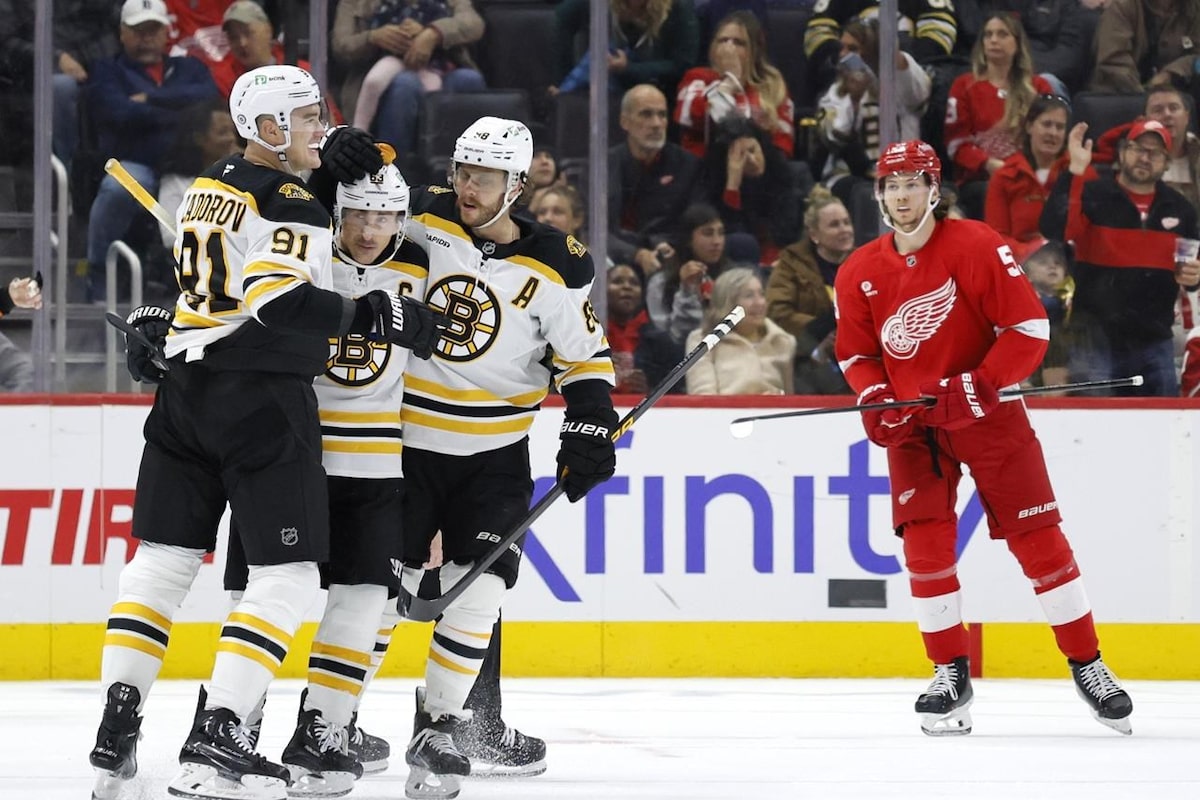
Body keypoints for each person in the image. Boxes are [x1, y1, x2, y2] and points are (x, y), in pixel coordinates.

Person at [86, 64, 441, 800]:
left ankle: (117, 723)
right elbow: (277, 301)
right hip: (261, 401)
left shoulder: (213, 179)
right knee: (288, 577)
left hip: (186, 390)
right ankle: (222, 728)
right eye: (308, 117)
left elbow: (206, 292)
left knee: (161, 563)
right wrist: (374, 311)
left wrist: (162, 324)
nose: (319, 126)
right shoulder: (291, 203)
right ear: (272, 129)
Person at [833, 139, 1134, 738]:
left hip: (988, 417)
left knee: (1039, 541)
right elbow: (858, 356)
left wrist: (984, 382)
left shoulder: (976, 245)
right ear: (879, 194)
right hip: (918, 430)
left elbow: (1028, 327)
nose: (901, 195)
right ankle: (950, 671)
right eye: (891, 185)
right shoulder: (858, 270)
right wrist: (876, 400)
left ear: (934, 189)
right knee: (925, 548)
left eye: (912, 183)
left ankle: (1088, 663)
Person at [398, 116, 616, 797]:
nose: (467, 186)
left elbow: (582, 357)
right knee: (374, 589)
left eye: (484, 176)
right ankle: (328, 723)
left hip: (494, 452)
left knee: (481, 589)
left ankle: (453, 726)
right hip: (403, 443)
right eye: (462, 171)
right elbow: (346, 227)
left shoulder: (555, 264)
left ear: (517, 185)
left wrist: (590, 421)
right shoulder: (420, 219)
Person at [1040, 119, 1200, 396]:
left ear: (1166, 163)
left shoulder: (1182, 210)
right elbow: (1054, 228)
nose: (1145, 158)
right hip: (1095, 340)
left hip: (1154, 339)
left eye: (1155, 153)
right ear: (1123, 152)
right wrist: (1075, 170)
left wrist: (1195, 277)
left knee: (1163, 431)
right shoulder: (1093, 196)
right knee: (1093, 430)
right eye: (1138, 148)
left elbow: (1191, 273)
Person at [84, 0, 219, 302]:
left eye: (152, 29)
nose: (146, 37)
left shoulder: (189, 67)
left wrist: (150, 99)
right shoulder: (107, 70)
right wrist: (178, 111)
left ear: (165, 32)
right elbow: (118, 113)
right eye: (137, 30)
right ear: (122, 33)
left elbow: (209, 99)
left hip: (188, 167)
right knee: (120, 187)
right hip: (137, 164)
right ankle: (97, 276)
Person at [815, 17, 930, 244]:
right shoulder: (837, 92)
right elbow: (833, 137)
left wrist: (890, 50)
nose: (844, 55)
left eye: (853, 49)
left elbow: (919, 94)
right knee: (858, 191)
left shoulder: (903, 81)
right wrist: (854, 101)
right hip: (854, 176)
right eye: (843, 48)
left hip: (907, 173)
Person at [332, 0, 487, 154]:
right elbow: (341, 45)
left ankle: (465, 160)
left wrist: (433, 33)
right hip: (380, 75)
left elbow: (473, 24)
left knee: (468, 79)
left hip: (441, 67)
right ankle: (391, 164)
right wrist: (372, 37)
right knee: (405, 85)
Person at [945, 14, 1053, 219]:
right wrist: (989, 164)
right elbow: (956, 144)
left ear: (1017, 43)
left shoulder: (1039, 87)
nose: (993, 40)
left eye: (1002, 34)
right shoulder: (964, 86)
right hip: (980, 179)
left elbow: (1048, 138)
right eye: (988, 35)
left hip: (1030, 175)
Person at [766, 186, 855, 395]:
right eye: (834, 225)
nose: (844, 229)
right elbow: (778, 314)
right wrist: (820, 333)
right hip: (807, 356)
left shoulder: (865, 261)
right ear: (814, 234)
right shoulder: (790, 263)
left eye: (847, 222)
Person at [674, 10, 795, 159]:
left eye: (739, 43)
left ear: (755, 51)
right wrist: (730, 81)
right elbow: (692, 117)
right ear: (713, 48)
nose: (729, 48)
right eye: (723, 40)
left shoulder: (773, 86)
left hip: (759, 172)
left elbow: (782, 146)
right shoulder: (696, 78)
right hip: (704, 173)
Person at [608, 84, 701, 276]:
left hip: (670, 257)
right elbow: (591, 232)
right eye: (646, 114)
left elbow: (694, 222)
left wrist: (671, 246)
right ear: (624, 122)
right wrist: (636, 254)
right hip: (615, 258)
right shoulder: (603, 166)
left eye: (662, 115)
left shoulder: (687, 165)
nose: (657, 123)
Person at [984, 93, 1077, 250]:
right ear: (1029, 127)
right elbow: (997, 238)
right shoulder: (1005, 177)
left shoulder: (1077, 173)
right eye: (1046, 124)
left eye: (1060, 127)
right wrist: (1034, 252)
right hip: (1022, 265)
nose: (1053, 133)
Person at [685, 266, 795, 394]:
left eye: (762, 294)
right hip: (726, 413)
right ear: (728, 302)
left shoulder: (782, 341)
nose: (759, 303)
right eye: (749, 296)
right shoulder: (702, 340)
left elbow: (789, 400)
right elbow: (703, 399)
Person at [645, 202, 738, 344]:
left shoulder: (733, 277)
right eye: (708, 233)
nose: (717, 241)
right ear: (688, 238)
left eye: (721, 233)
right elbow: (668, 340)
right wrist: (687, 291)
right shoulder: (661, 282)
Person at [606, 261, 684, 394]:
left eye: (634, 283)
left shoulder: (662, 343)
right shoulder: (584, 339)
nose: (627, 287)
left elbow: (678, 394)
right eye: (618, 281)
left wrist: (649, 392)